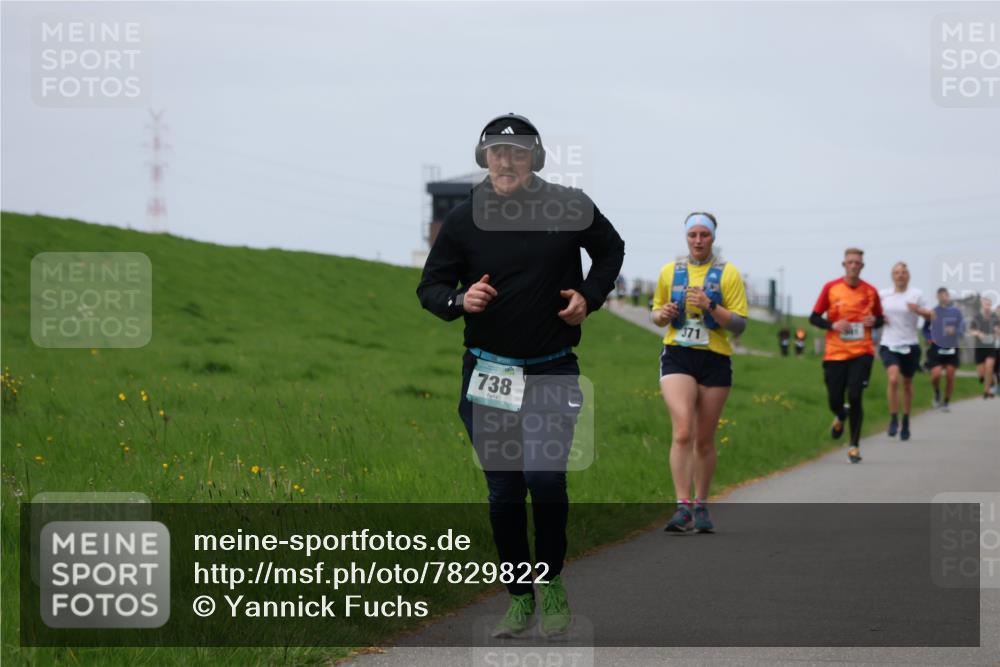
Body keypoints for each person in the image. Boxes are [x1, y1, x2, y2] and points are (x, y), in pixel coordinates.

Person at [417, 113, 625, 639]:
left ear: (534, 158)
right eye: (496, 152)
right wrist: (460, 299)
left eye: (517, 152)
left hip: (551, 369)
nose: (506, 161)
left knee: (544, 480)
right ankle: (518, 598)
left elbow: (610, 249)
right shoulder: (464, 219)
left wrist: (589, 296)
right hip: (489, 374)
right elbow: (431, 287)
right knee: (505, 492)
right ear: (484, 158)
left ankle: (551, 583)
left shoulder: (569, 205)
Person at [651, 212, 748, 533]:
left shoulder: (728, 274)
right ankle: (683, 507)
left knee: (704, 439)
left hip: (715, 359)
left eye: (703, 235)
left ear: (713, 238)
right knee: (682, 431)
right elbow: (656, 315)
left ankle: (702, 503)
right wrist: (662, 314)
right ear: (685, 237)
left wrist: (709, 305)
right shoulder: (670, 271)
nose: (697, 240)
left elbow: (739, 324)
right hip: (678, 355)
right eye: (692, 234)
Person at [809, 248, 884, 464]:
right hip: (834, 353)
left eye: (857, 263)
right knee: (835, 399)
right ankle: (840, 415)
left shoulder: (871, 291)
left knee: (855, 396)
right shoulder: (831, 288)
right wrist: (832, 324)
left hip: (862, 352)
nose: (853, 266)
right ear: (844, 265)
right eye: (850, 262)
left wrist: (874, 321)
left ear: (862, 266)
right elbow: (814, 318)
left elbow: (879, 318)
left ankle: (854, 446)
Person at [878, 262, 934, 440]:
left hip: (910, 344)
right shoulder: (883, 295)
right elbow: (873, 312)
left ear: (908, 276)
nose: (900, 275)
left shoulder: (916, 294)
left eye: (903, 273)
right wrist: (879, 318)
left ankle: (906, 420)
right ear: (892, 276)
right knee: (893, 379)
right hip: (889, 343)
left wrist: (917, 310)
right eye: (896, 273)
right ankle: (894, 418)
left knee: (907, 384)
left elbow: (931, 315)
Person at [926, 287, 963, 411]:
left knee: (950, 375)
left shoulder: (956, 312)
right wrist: (929, 338)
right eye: (940, 295)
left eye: (945, 295)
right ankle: (937, 393)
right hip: (936, 347)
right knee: (935, 375)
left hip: (951, 346)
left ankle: (946, 401)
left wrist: (955, 331)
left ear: (948, 297)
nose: (943, 297)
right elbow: (925, 328)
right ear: (937, 297)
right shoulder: (933, 312)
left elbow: (962, 328)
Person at [969, 296, 999, 400]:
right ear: (982, 305)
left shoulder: (995, 317)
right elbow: (971, 331)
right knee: (981, 374)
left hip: (990, 347)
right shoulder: (977, 317)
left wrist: (997, 331)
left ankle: (986, 391)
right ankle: (986, 380)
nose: (987, 307)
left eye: (989, 305)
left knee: (989, 367)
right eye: (986, 304)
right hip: (979, 348)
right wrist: (978, 333)